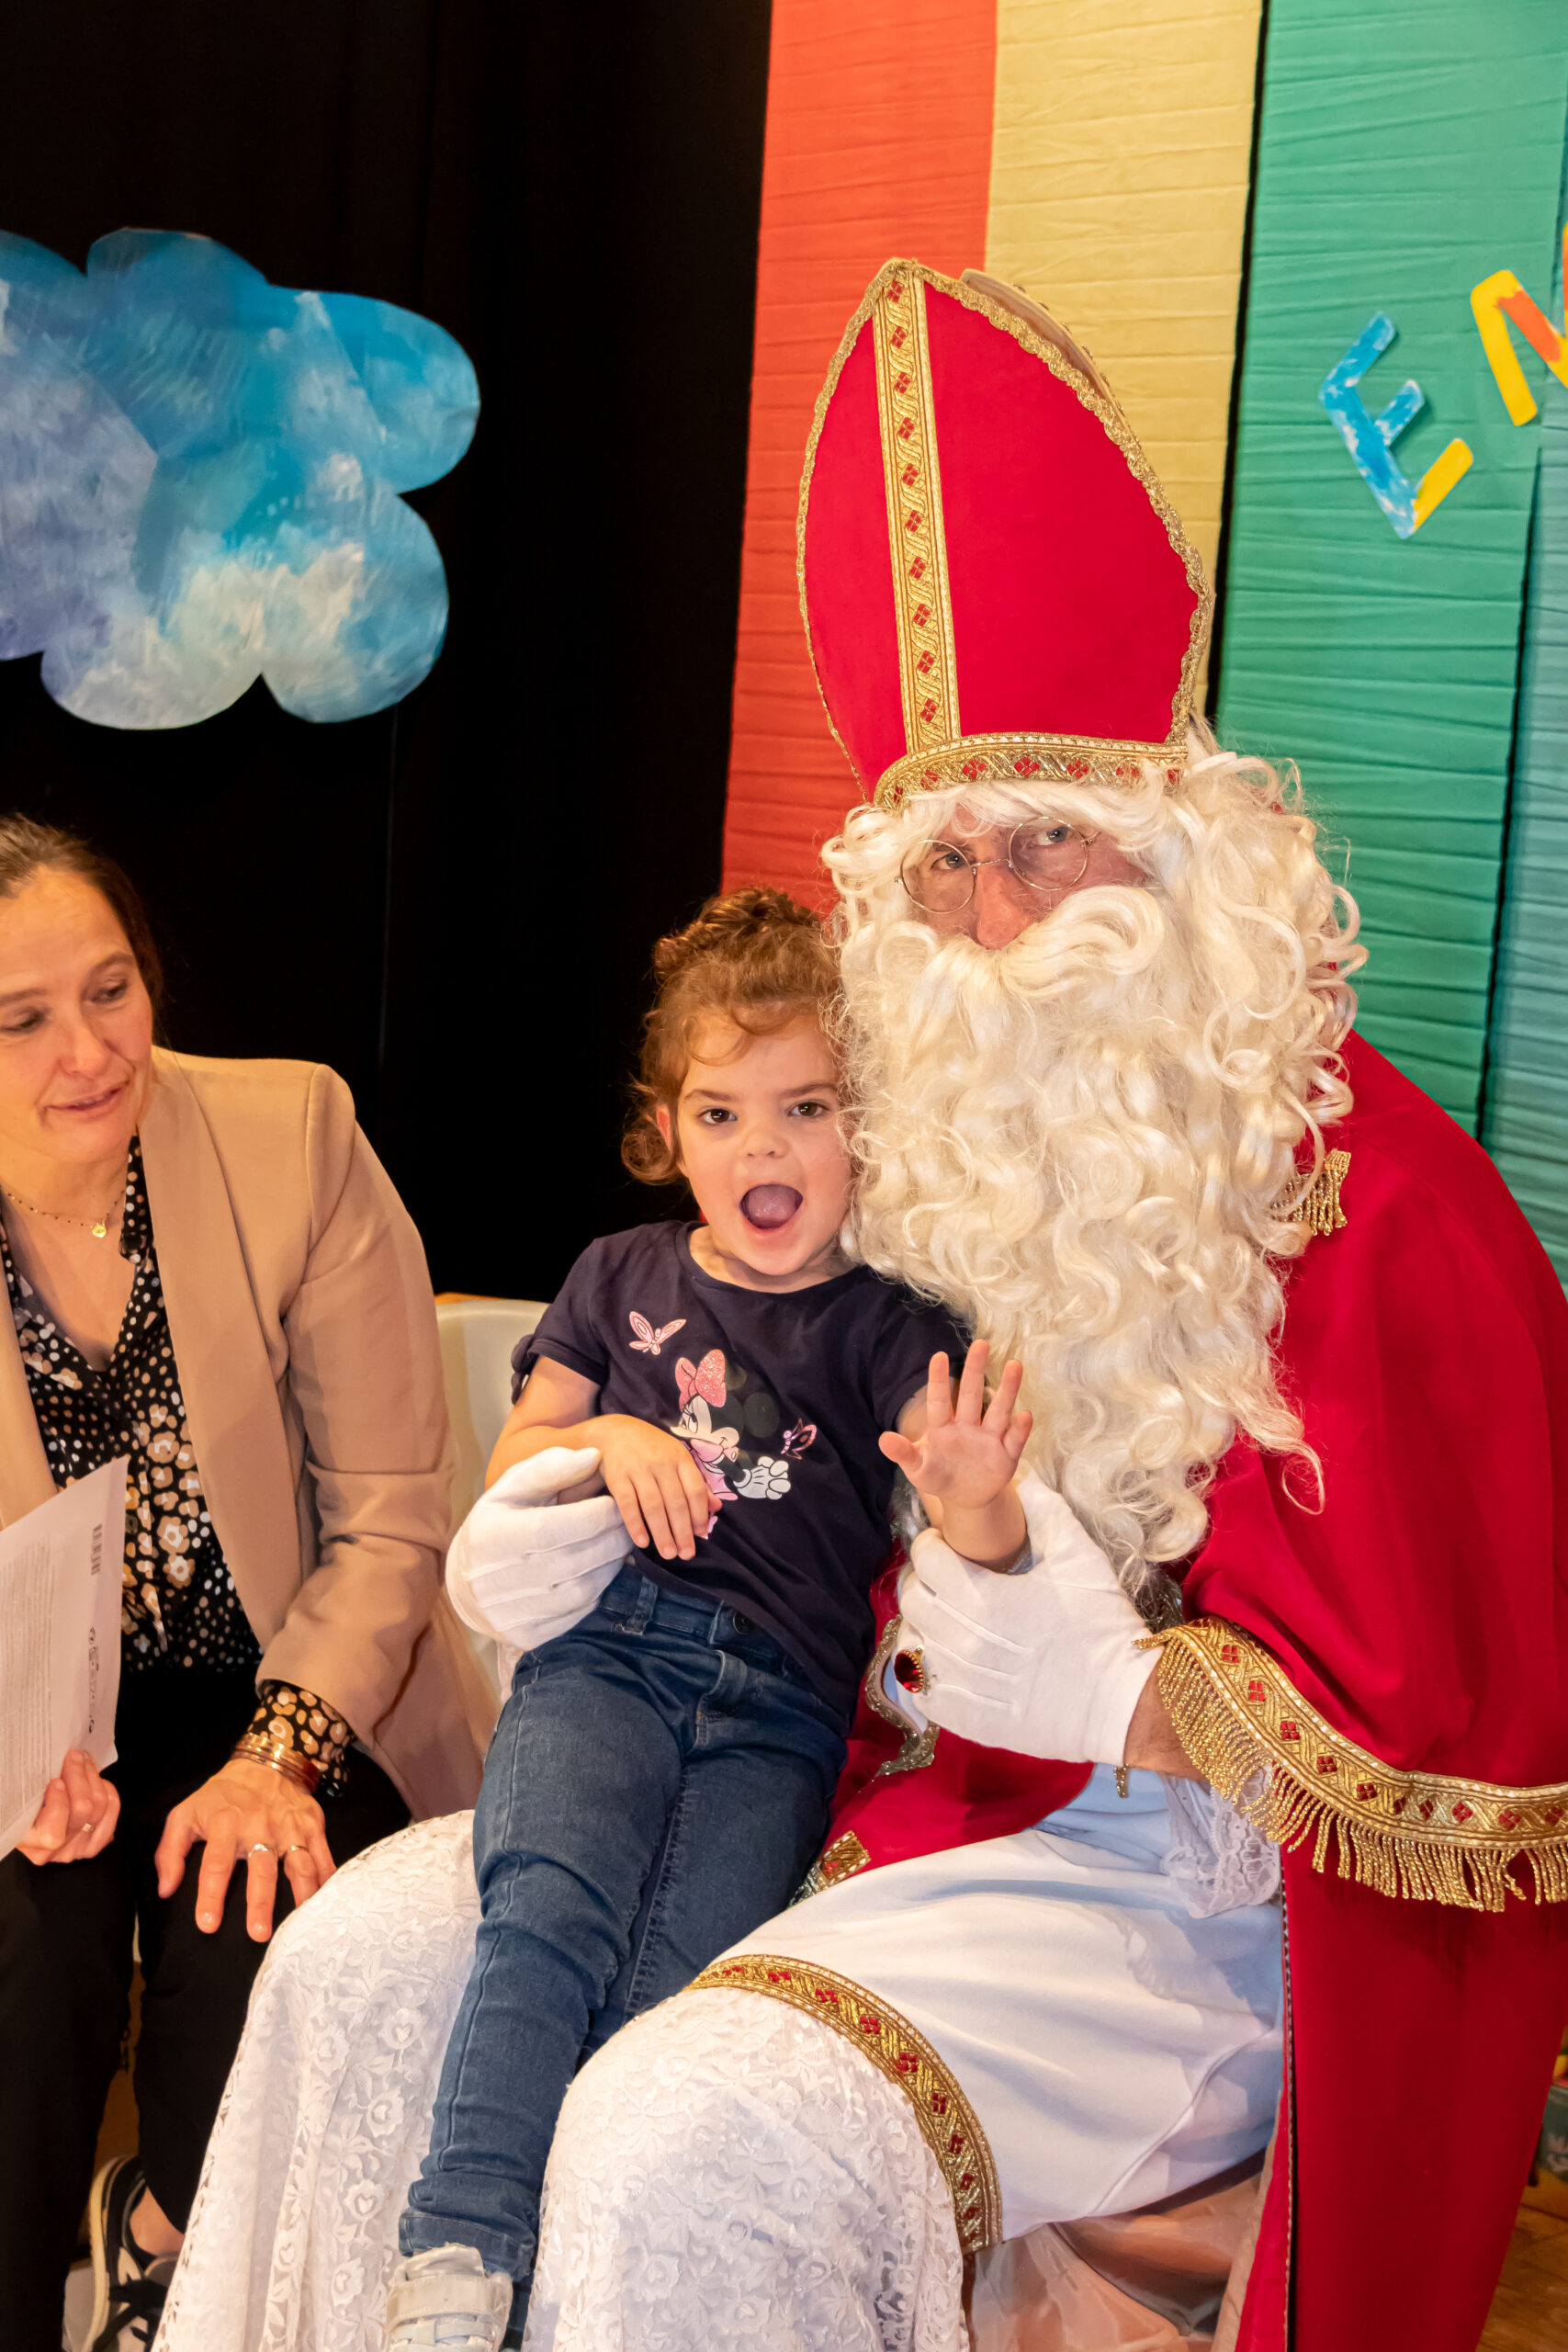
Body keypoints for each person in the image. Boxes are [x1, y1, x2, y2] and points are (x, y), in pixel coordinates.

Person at [159, 264, 1568, 2352]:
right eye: (941, 865)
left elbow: (1427, 1771)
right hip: (845, 1763)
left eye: (1049, 839)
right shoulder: (904, 1145)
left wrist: (1078, 1648)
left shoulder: (1377, 1206)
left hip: (1173, 1891)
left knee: (678, 2127)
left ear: (1192, 849)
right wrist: (582, 1503)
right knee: (355, 1968)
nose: (992, 922)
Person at [381, 887, 1001, 2346]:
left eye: (805, 1110)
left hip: (780, 1709)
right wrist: (610, 1438)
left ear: (867, 1129)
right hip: (606, 1659)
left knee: (678, 1988)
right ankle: (454, 2257)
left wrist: (979, 1495)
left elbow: (967, 1522)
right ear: (667, 1132)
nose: (762, 1151)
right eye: (721, 1116)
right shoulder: (620, 1276)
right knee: (548, 1911)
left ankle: (569, 2301)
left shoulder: (896, 1320)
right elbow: (516, 1460)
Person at [0, 817, 493, 2352]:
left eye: (112, 990)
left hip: (296, 1678)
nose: (90, 1052)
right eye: (21, 1019)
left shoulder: (292, 1135)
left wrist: (276, 1757)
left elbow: (391, 1516)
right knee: (24, 1947)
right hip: (40, 1717)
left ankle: (162, 2253)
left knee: (254, 1916)